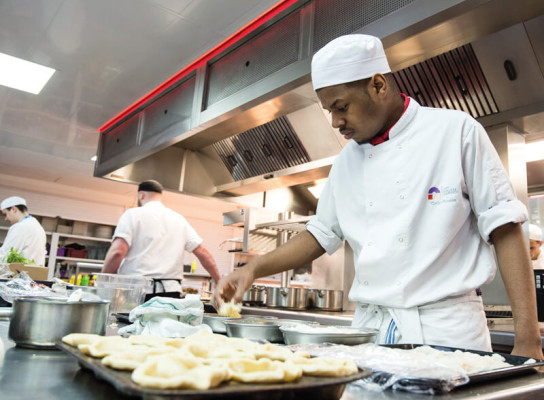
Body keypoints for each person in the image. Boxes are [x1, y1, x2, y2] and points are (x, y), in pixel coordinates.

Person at [212, 34, 543, 359]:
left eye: (341, 107)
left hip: (446, 331)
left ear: (378, 85)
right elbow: (320, 234)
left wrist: (528, 340)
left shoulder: (456, 131)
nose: (335, 122)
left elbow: (506, 227)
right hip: (370, 332)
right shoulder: (346, 163)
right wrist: (252, 270)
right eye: (329, 110)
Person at [102, 180, 221, 296]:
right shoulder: (178, 219)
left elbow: (117, 252)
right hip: (170, 292)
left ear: (141, 195)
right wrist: (218, 280)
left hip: (137, 293)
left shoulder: (132, 215)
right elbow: (202, 251)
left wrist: (103, 283)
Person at [0, 196, 46, 266]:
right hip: (34, 273)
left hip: (20, 274)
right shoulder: (37, 226)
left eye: (5, 214)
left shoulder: (20, 227)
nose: (5, 219)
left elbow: (5, 256)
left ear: (14, 209)